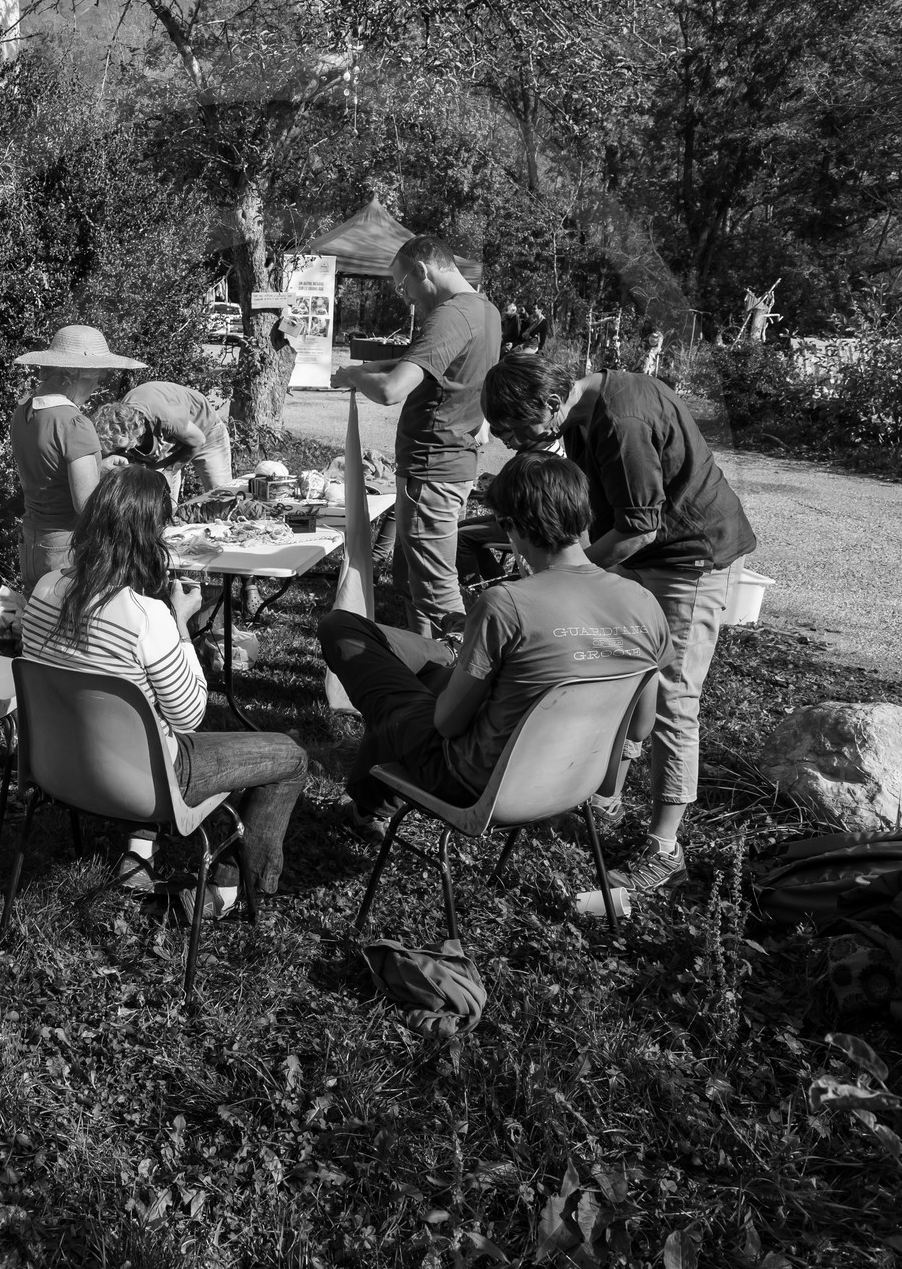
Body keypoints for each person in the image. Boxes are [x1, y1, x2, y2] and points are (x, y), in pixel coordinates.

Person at [481, 346, 757, 892]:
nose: (508, 441)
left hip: (687, 558)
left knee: (672, 697)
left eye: (514, 427)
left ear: (555, 402)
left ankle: (664, 846)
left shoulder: (622, 421)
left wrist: (565, 575)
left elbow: (637, 528)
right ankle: (604, 796)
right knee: (624, 672)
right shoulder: (589, 407)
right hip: (648, 552)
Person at [319, 454, 668, 838]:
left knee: (347, 634)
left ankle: (450, 660)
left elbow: (448, 724)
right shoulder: (643, 602)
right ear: (585, 516)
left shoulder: (507, 604)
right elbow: (639, 728)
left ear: (511, 527)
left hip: (473, 784)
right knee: (435, 677)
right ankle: (371, 802)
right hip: (573, 782)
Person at [21, 466, 308, 920]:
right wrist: (179, 622)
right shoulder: (146, 616)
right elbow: (190, 715)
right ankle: (232, 891)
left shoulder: (44, 588)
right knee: (291, 756)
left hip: (58, 766)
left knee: (138, 720)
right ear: (149, 538)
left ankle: (138, 857)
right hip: (147, 781)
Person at [331, 234, 502, 638]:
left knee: (437, 592)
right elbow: (422, 357)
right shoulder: (484, 310)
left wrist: (356, 374)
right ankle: (429, 674)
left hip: (432, 471)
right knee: (412, 581)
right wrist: (369, 366)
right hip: (450, 465)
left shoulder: (448, 316)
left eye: (402, 284)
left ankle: (460, 683)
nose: (404, 296)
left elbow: (392, 391)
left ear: (422, 270)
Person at [10, 325, 145, 591]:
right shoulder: (75, 424)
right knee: (66, 626)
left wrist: (99, 467)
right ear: (71, 375)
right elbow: (86, 506)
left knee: (37, 619)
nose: (98, 384)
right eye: (96, 376)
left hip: (32, 538)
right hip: (65, 545)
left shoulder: (23, 412)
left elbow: (50, 470)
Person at [91, 380, 234, 503]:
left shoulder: (167, 418)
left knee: (221, 496)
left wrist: (172, 468)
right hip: (174, 438)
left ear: (133, 431)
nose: (125, 452)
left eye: (124, 447)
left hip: (205, 432)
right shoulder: (119, 420)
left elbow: (198, 440)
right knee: (159, 497)